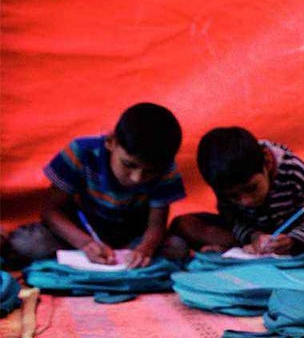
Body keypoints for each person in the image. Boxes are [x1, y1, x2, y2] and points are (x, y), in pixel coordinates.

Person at [6, 102, 185, 268]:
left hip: (132, 236)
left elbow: (156, 225)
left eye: (150, 171)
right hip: (79, 231)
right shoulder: (81, 153)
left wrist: (145, 249)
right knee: (28, 243)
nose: (137, 178)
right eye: (129, 165)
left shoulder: (166, 169)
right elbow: (50, 213)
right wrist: (85, 243)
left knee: (177, 248)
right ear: (110, 142)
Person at [170, 127, 304, 257]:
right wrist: (253, 236)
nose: (246, 201)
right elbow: (232, 220)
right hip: (250, 233)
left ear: (267, 162)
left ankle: (228, 249)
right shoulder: (224, 182)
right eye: (234, 196)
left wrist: (293, 240)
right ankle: (240, 248)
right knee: (184, 224)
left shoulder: (294, 171)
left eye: (252, 188)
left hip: (291, 234)